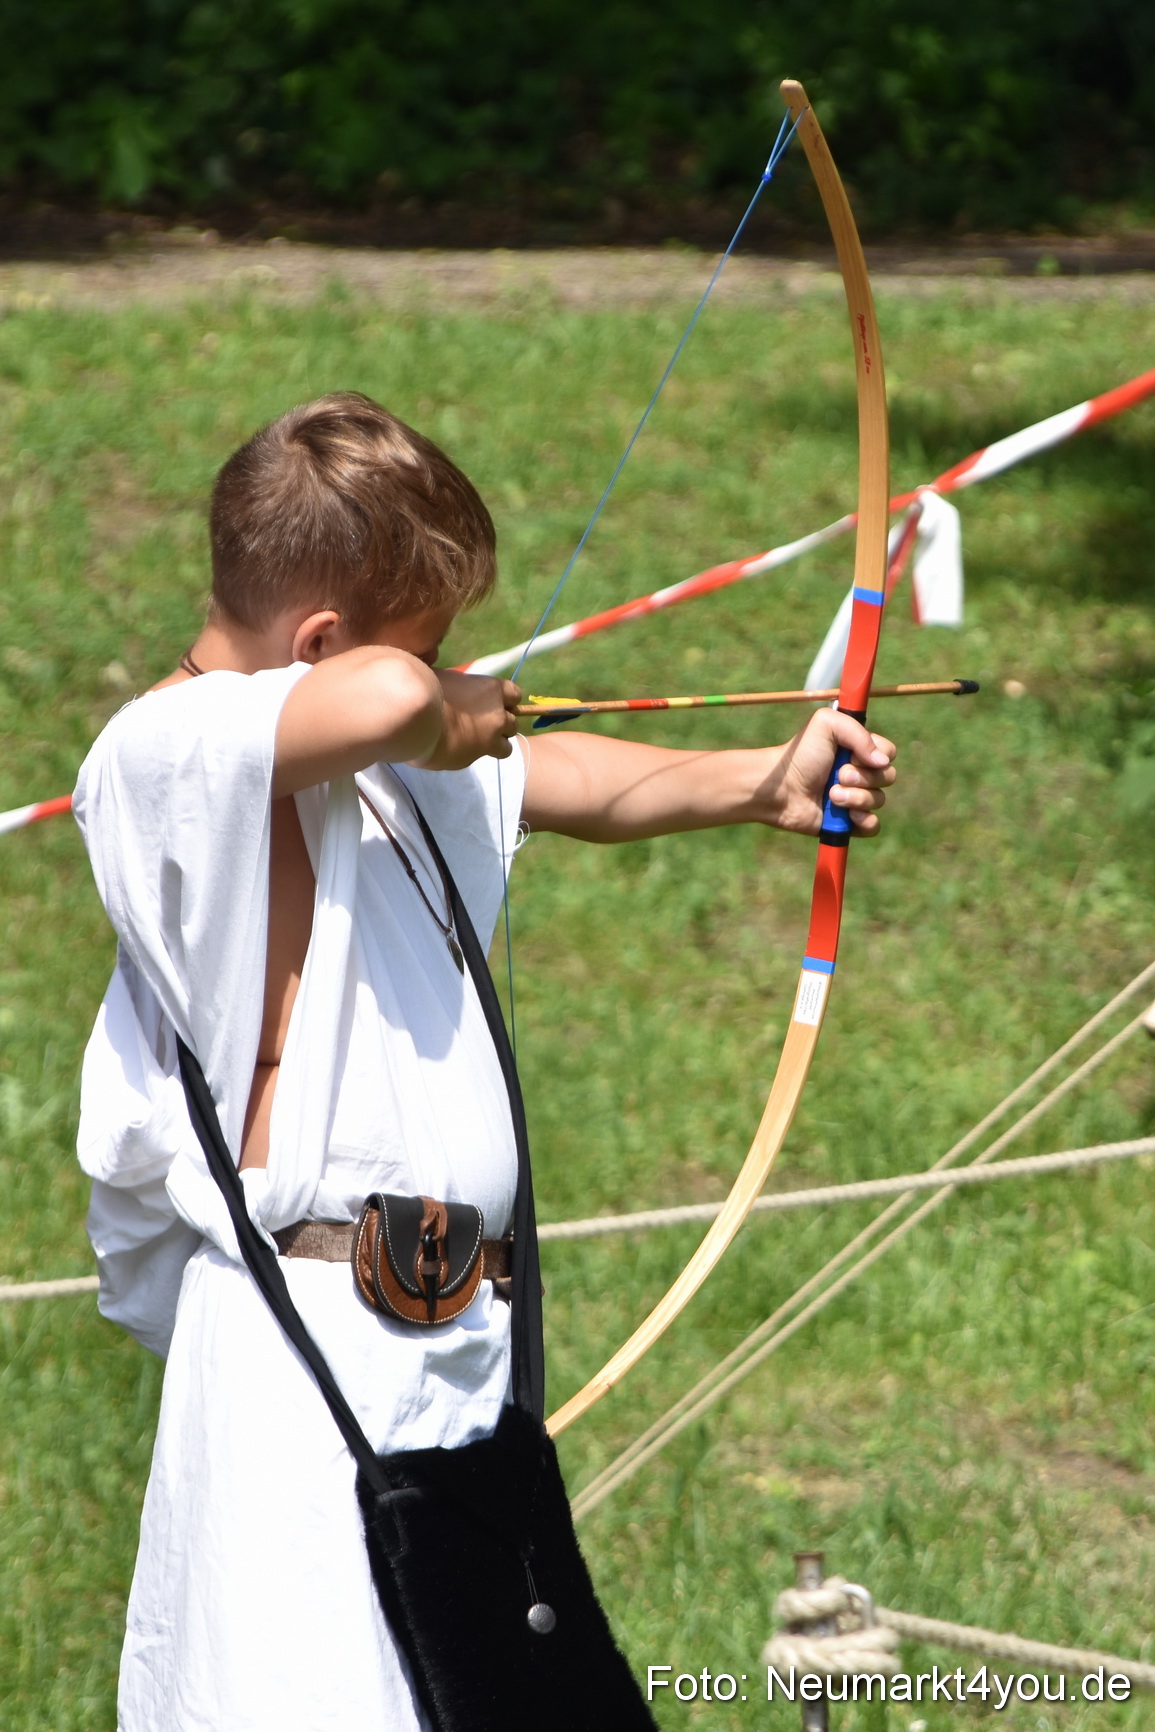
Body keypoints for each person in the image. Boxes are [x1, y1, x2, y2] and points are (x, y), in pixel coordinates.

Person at [73, 391, 896, 1731]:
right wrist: (424, 692)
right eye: (429, 642)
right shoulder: (165, 755)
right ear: (322, 644)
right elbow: (394, 696)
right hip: (306, 1356)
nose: (445, 673)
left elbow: (576, 783)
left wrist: (766, 779)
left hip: (454, 1356)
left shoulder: (385, 770)